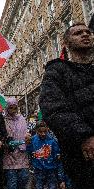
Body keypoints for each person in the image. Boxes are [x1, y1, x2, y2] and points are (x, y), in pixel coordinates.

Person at [39, 23, 94, 189]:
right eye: (78, 33)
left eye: (88, 32)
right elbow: (53, 108)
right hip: (84, 157)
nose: (85, 35)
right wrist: (85, 136)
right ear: (66, 43)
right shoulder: (57, 71)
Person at [25, 121, 65, 189]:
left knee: (52, 186)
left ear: (47, 129)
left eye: (45, 131)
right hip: (38, 170)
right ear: (37, 131)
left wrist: (61, 178)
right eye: (40, 132)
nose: (43, 134)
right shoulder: (33, 140)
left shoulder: (52, 140)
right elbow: (29, 152)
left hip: (51, 169)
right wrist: (28, 144)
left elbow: (57, 158)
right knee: (38, 186)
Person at [3, 97, 29, 189]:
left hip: (22, 154)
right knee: (12, 183)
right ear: (7, 108)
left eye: (15, 107)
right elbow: (3, 137)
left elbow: (26, 132)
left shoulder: (21, 118)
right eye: (11, 107)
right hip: (9, 155)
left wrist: (27, 137)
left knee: (24, 179)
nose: (13, 110)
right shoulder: (3, 120)